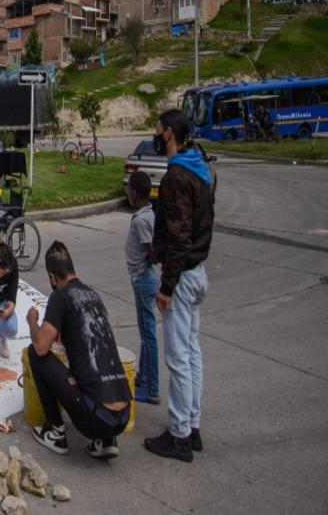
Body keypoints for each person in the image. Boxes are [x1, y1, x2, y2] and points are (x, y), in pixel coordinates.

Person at [144, 109, 214, 463]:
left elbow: (179, 236)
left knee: (177, 358)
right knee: (192, 352)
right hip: (198, 270)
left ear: (169, 133)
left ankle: (180, 435)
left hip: (183, 276)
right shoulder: (201, 169)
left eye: (157, 131)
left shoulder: (176, 178)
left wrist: (166, 287)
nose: (155, 137)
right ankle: (193, 424)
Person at [25, 241, 132, 459]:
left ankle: (55, 431)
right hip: (123, 416)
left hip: (95, 417)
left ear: (52, 278)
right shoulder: (94, 297)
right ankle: (106, 440)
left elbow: (42, 346)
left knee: (34, 353)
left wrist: (32, 322)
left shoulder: (61, 296)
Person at [125, 171, 159, 405]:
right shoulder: (145, 215)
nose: (126, 192)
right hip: (140, 277)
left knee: (148, 335)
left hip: (143, 278)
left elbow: (152, 252)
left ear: (134, 193)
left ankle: (152, 388)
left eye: (128, 188)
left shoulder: (142, 220)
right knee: (145, 332)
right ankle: (143, 377)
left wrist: (149, 261)